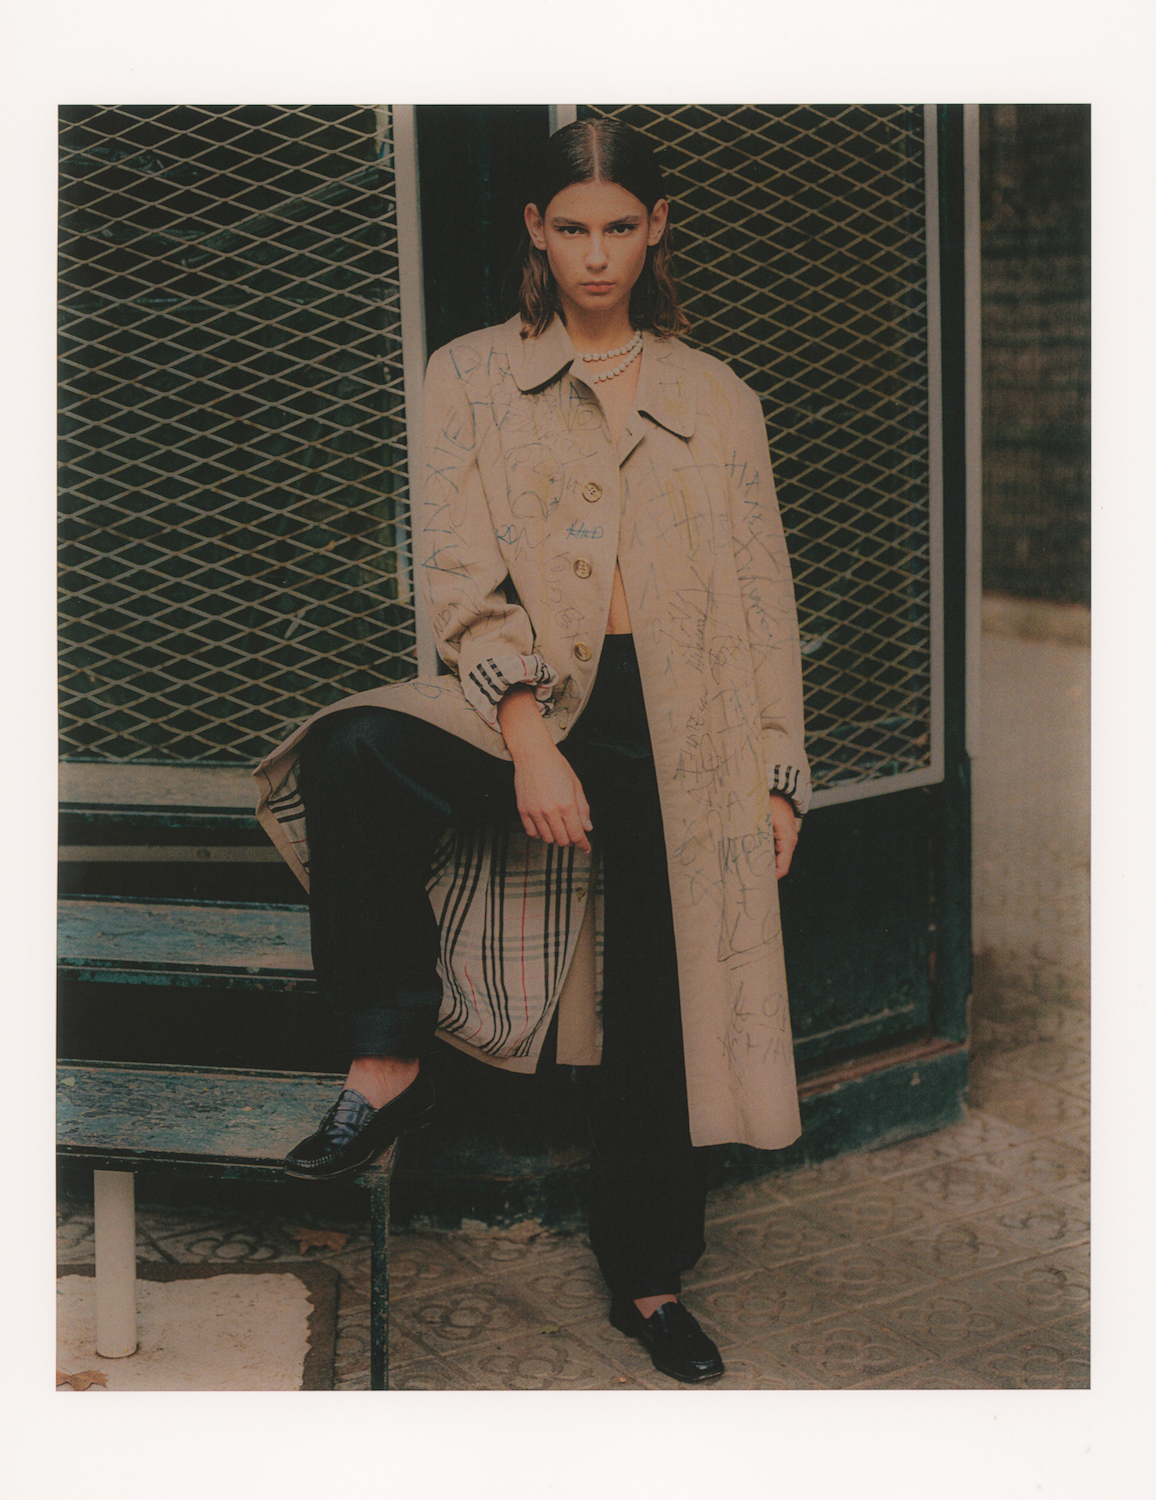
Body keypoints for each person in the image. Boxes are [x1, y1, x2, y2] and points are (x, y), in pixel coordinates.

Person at [254, 117, 810, 1385]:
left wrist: (778, 775)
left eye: (618, 227)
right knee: (351, 752)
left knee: (661, 1000)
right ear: (534, 231)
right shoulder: (468, 376)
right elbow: (460, 576)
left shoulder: (717, 395)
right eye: (571, 229)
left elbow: (763, 596)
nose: (595, 256)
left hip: (689, 720)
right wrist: (524, 739)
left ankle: (651, 1278)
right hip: (537, 695)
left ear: (656, 227)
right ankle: (388, 1056)